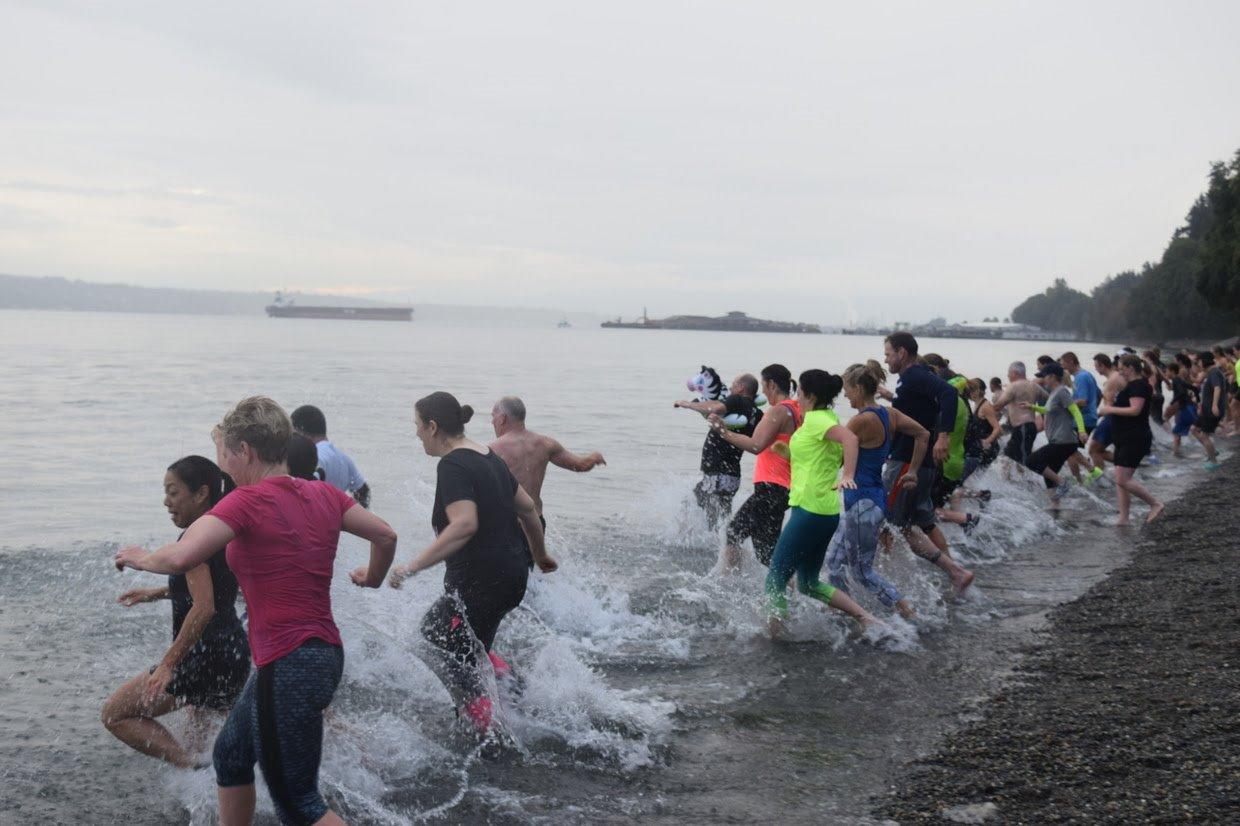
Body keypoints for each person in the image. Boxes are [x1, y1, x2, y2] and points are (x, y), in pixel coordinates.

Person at [115, 397, 398, 826]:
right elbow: (386, 534)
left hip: (290, 662)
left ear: (243, 451)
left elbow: (180, 557)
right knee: (230, 756)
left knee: (298, 804)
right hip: (319, 654)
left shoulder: (245, 502)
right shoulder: (326, 494)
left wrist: (140, 556)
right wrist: (375, 578)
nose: (222, 464)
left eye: (223, 453)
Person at [388, 392, 556, 734]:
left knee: (438, 641)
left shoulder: (452, 465)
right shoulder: (489, 457)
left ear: (433, 427)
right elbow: (528, 508)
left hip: (482, 583)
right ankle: (512, 692)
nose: (417, 434)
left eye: (418, 426)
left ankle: (490, 734)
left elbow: (464, 524)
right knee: (468, 645)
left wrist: (411, 567)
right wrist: (539, 555)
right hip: (510, 577)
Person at [103, 456, 250, 769]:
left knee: (116, 714)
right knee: (205, 735)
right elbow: (220, 591)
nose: (166, 502)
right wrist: (157, 593)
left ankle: (191, 768)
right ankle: (217, 787)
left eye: (173, 492)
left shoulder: (195, 536)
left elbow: (205, 605)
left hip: (204, 655)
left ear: (200, 494)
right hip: (232, 651)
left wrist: (168, 664)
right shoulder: (224, 529)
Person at [763, 369, 876, 633]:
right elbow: (824, 461)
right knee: (808, 583)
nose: (797, 396)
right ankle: (864, 617)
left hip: (809, 511)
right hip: (826, 512)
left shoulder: (816, 421)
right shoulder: (827, 418)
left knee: (775, 578)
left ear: (810, 395)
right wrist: (788, 453)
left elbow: (851, 439)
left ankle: (774, 638)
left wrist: (848, 474)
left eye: (799, 391)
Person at [826, 362, 925, 620]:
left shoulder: (861, 420)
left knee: (862, 572)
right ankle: (846, 615)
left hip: (863, 504)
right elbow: (922, 434)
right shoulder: (889, 414)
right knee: (834, 564)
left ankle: (907, 613)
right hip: (869, 501)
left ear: (858, 388)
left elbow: (836, 456)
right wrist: (911, 471)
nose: (845, 394)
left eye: (847, 389)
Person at [881, 333, 974, 595]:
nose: (885, 359)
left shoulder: (914, 375)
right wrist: (891, 397)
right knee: (920, 523)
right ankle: (956, 574)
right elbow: (918, 410)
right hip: (921, 464)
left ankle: (888, 587)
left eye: (888, 353)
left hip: (907, 463)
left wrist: (943, 436)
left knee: (886, 525)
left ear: (901, 353)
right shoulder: (913, 378)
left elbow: (948, 394)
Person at [705, 364, 801, 570]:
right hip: (784, 488)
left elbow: (756, 445)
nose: (763, 392)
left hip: (771, 488)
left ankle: (725, 586)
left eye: (765, 386)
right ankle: (795, 593)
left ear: (772, 384)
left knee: (733, 532)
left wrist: (723, 431)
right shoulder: (796, 409)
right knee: (766, 554)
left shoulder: (778, 411)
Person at [488, 395, 606, 524]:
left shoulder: (493, 449)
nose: (492, 422)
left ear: (502, 418)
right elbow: (580, 465)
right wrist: (594, 457)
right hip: (535, 521)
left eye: (493, 416)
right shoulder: (546, 444)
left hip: (509, 525)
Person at [675, 374, 761, 528]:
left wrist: (688, 405)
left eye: (734, 384)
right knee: (721, 515)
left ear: (741, 388)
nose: (730, 388)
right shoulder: (757, 414)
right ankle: (723, 546)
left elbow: (717, 407)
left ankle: (689, 546)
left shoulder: (736, 400)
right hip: (732, 476)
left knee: (690, 505)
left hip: (717, 475)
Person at [1098, 355, 1166, 525]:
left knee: (1122, 479)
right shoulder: (1131, 385)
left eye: (1121, 368)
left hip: (1135, 437)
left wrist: (1109, 409)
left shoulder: (1139, 385)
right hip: (1124, 436)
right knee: (1120, 479)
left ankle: (1155, 504)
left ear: (1130, 368)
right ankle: (1124, 518)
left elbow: (1135, 410)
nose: (1120, 372)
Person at [1018, 363, 1087, 501]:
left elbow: (1075, 411)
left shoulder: (1061, 391)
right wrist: (1032, 407)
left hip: (1063, 441)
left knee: (1031, 461)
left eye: (1044, 376)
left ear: (1052, 376)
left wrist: (1082, 431)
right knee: (1049, 473)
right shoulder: (1054, 393)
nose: (1043, 379)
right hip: (1060, 441)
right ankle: (1055, 508)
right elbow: (1049, 410)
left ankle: (1063, 483)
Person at [290, 404, 371, 508]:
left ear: (299, 431)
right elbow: (363, 491)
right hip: (334, 517)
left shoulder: (313, 455)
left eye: (292, 434)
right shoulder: (344, 459)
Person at [992, 362, 1046, 467]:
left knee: (1025, 461)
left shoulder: (1013, 386)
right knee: (1008, 456)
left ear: (1015, 373)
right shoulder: (1034, 385)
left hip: (1023, 428)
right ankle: (1015, 482)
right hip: (1028, 428)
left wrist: (984, 411)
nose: (1007, 376)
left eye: (1009, 373)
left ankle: (1049, 480)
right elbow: (1050, 401)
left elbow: (998, 406)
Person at [1060, 351, 1102, 483]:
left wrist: (1063, 406)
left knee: (1068, 450)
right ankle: (1081, 479)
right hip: (1088, 418)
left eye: (1063, 365)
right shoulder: (1086, 375)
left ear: (1071, 362)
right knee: (1070, 450)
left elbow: (1082, 401)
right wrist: (1094, 411)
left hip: (1083, 420)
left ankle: (1086, 475)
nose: (1062, 368)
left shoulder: (1081, 377)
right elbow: (1099, 394)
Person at [1087, 353, 1126, 479]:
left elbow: (1109, 407)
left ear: (1102, 365)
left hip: (1112, 419)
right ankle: (1126, 463)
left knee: (1093, 450)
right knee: (1099, 451)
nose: (1095, 369)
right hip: (1121, 419)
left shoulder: (1111, 381)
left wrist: (1096, 417)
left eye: (1096, 366)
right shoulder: (1119, 376)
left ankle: (1101, 479)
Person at [1193, 351, 1227, 470]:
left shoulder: (1214, 373)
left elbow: (1217, 388)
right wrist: (1201, 406)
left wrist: (1214, 405)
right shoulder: (1211, 372)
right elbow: (1208, 391)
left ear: (1204, 361)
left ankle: (1214, 462)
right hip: (1206, 409)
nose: (1199, 364)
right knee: (1194, 429)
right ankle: (1212, 451)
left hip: (1211, 410)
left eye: (1200, 361)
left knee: (1204, 435)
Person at [1165, 361, 1197, 457]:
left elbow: (1182, 392)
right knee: (1179, 431)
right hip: (1187, 406)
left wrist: (1172, 402)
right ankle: (1176, 451)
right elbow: (1190, 387)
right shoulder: (1177, 379)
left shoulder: (1176, 380)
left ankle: (1175, 453)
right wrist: (1196, 396)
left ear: (1172, 371)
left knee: (1193, 429)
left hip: (1186, 407)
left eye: (1167, 371)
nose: (1166, 373)